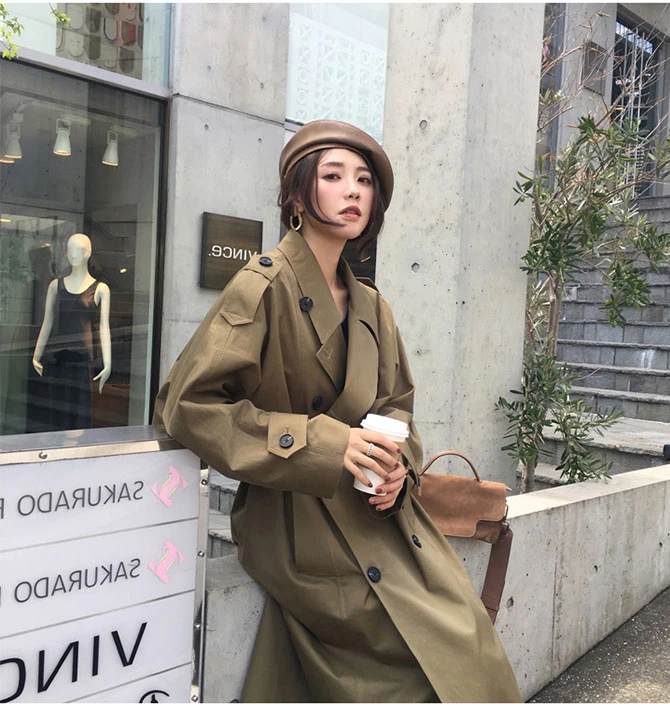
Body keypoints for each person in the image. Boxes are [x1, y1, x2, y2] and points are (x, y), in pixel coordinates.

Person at [154, 120, 522, 702]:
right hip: (289, 515)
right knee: (401, 649)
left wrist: (398, 468)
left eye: (364, 180)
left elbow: (397, 407)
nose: (353, 190)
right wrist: (324, 444)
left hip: (373, 508)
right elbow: (188, 405)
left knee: (462, 629)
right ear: (298, 196)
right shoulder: (261, 286)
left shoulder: (372, 305)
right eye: (333, 176)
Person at [32, 233, 111, 431]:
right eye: (70, 250)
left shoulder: (100, 289)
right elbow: (47, 322)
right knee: (57, 412)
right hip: (57, 358)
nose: (74, 254)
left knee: (79, 412)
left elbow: (104, 326)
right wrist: (36, 355)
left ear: (89, 253)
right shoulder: (55, 286)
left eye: (79, 250)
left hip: (82, 359)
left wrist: (108, 363)